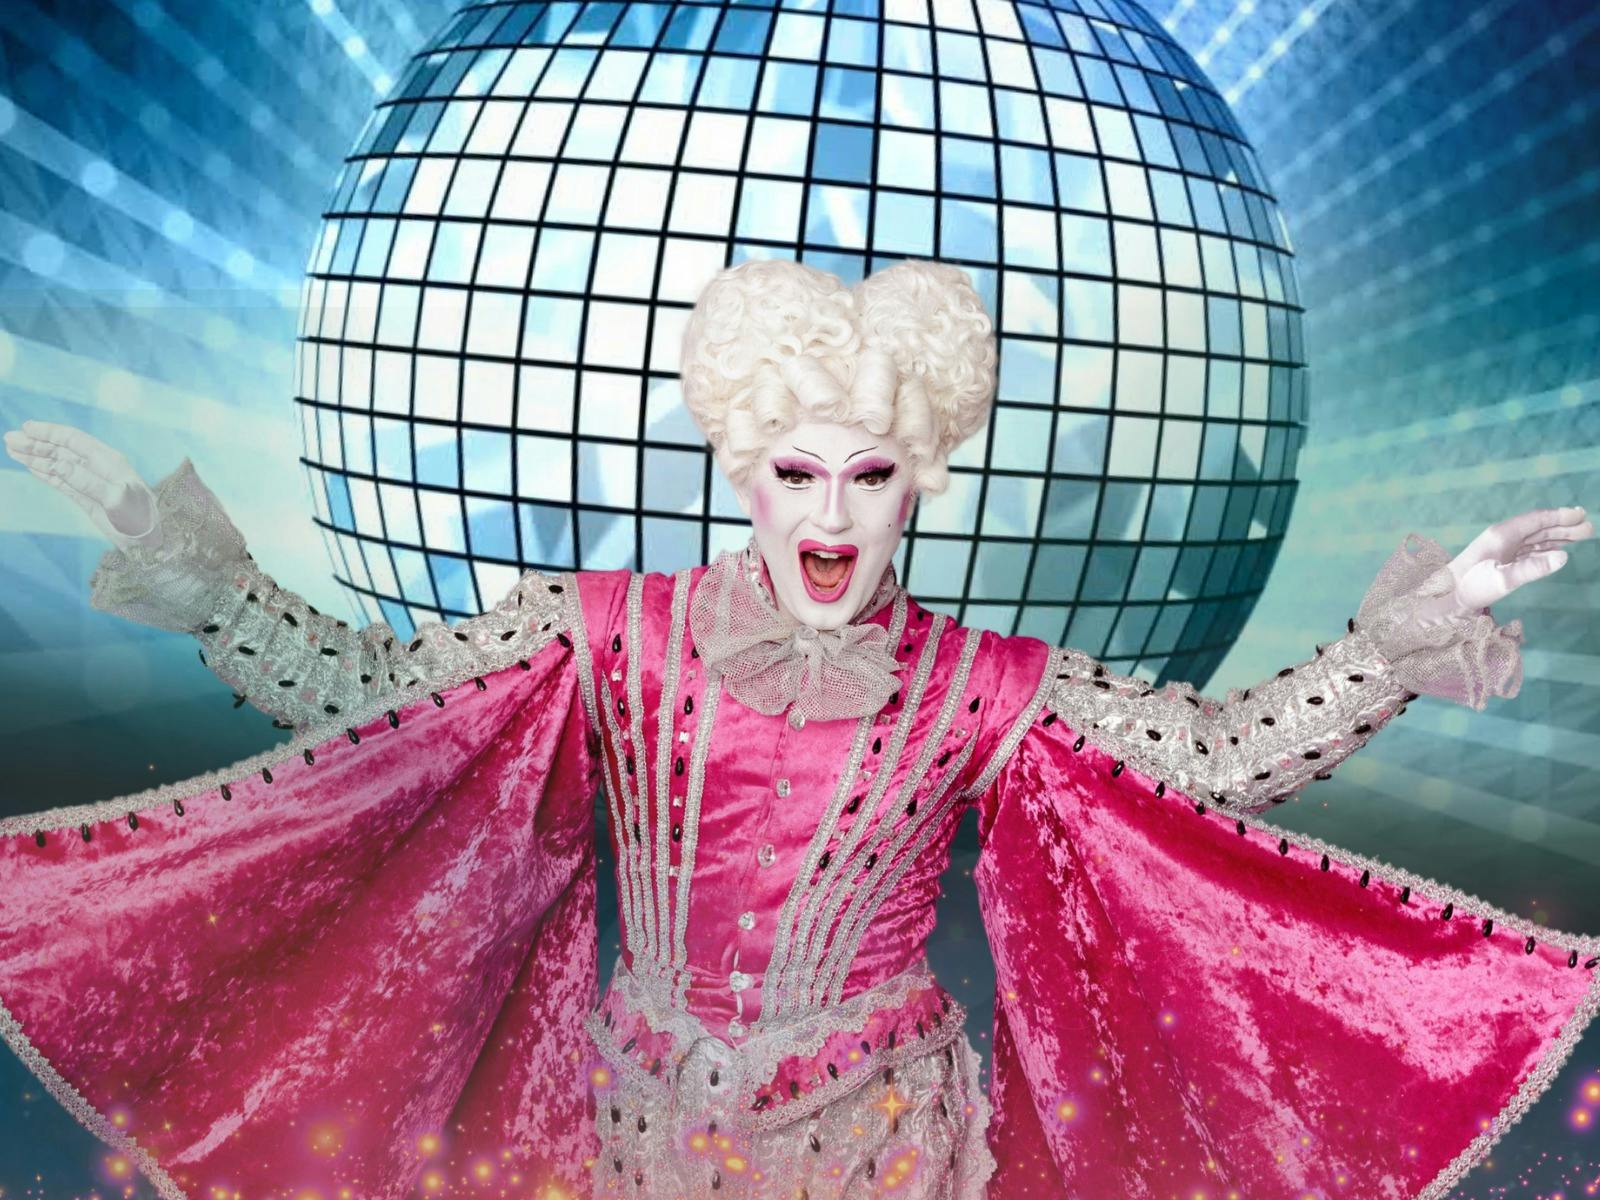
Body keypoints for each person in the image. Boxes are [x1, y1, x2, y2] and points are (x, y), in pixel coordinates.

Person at [0, 256, 1595, 1200]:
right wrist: (196, 572)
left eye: (872, 474)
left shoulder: (985, 682)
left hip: (884, 1131)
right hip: (644, 1115)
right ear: (744, 467)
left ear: (921, 482)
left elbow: (1220, 762)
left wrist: (1418, 622)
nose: (833, 513)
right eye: (798, 472)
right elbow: (374, 711)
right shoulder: (607, 631)